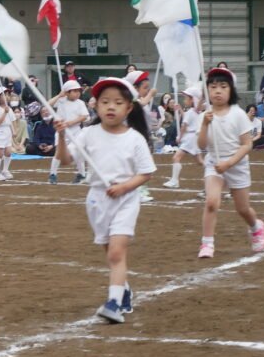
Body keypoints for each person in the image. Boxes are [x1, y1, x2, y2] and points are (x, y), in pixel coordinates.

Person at [54, 77, 154, 324]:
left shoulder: (135, 139)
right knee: (111, 253)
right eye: (105, 102)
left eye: (118, 102)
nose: (111, 107)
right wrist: (61, 137)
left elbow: (146, 172)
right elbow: (65, 160)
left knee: (117, 253)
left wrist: (124, 187)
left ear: (129, 108)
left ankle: (113, 304)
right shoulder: (88, 134)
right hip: (97, 202)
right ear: (96, 106)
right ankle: (125, 291)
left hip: (126, 200)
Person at [197, 68, 264, 259]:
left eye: (223, 86)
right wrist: (204, 124)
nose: (217, 91)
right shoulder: (205, 115)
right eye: (213, 87)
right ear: (207, 90)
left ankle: (256, 227)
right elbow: (201, 145)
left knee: (243, 209)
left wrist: (229, 163)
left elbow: (247, 144)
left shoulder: (238, 114)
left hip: (237, 164)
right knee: (211, 202)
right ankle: (207, 244)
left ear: (231, 90)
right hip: (214, 163)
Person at [45, 80, 88, 184]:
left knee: (78, 153)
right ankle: (53, 174)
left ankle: (81, 174)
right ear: (67, 92)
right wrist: (59, 95)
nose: (78, 93)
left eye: (78, 91)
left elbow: (84, 116)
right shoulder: (61, 101)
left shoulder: (80, 103)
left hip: (76, 131)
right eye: (74, 91)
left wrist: (70, 122)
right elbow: (47, 105)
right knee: (58, 153)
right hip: (61, 131)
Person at [163, 86, 204, 188]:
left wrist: (179, 138)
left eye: (186, 98)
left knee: (176, 157)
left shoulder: (192, 111)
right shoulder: (193, 111)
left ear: (192, 99)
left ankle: (174, 181)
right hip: (194, 137)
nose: (184, 100)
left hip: (190, 138)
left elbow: (184, 127)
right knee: (200, 161)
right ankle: (215, 172)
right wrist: (181, 110)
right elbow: (188, 118)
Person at [0, 88, 15, 181]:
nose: (7, 97)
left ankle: (5, 170)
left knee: (8, 152)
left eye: (8, 94)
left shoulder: (9, 109)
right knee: (0, 153)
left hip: (7, 131)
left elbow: (11, 121)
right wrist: (5, 112)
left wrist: (13, 131)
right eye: (4, 95)